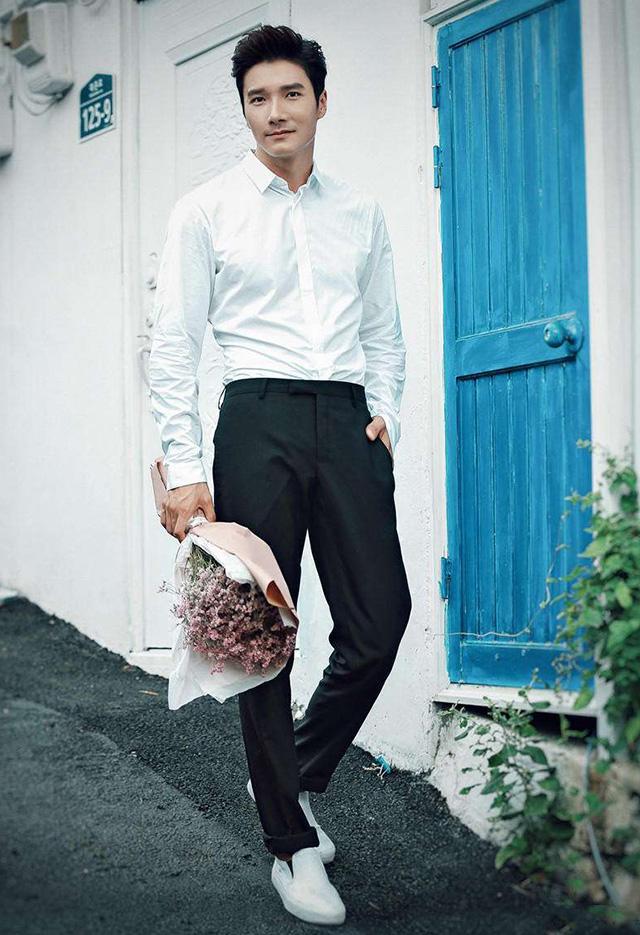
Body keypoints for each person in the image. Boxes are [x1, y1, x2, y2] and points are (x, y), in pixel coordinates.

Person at [148, 23, 412, 926]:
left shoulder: (361, 212)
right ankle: (290, 843)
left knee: (380, 620)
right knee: (263, 636)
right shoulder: (206, 209)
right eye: (257, 97)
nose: (274, 111)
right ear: (245, 110)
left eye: (290, 93)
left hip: (346, 420)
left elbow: (383, 329)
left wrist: (386, 412)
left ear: (321, 102)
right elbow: (174, 344)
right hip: (255, 420)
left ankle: (293, 773)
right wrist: (187, 467)